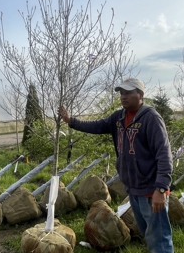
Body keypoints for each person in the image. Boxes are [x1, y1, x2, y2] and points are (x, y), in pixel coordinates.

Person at [59, 78, 174, 253]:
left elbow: (164, 154)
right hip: (134, 188)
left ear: (140, 95)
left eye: (128, 92)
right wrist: (71, 121)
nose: (123, 96)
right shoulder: (118, 118)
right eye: (121, 93)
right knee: (147, 232)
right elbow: (96, 126)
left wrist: (161, 189)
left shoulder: (151, 118)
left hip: (152, 190)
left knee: (159, 238)